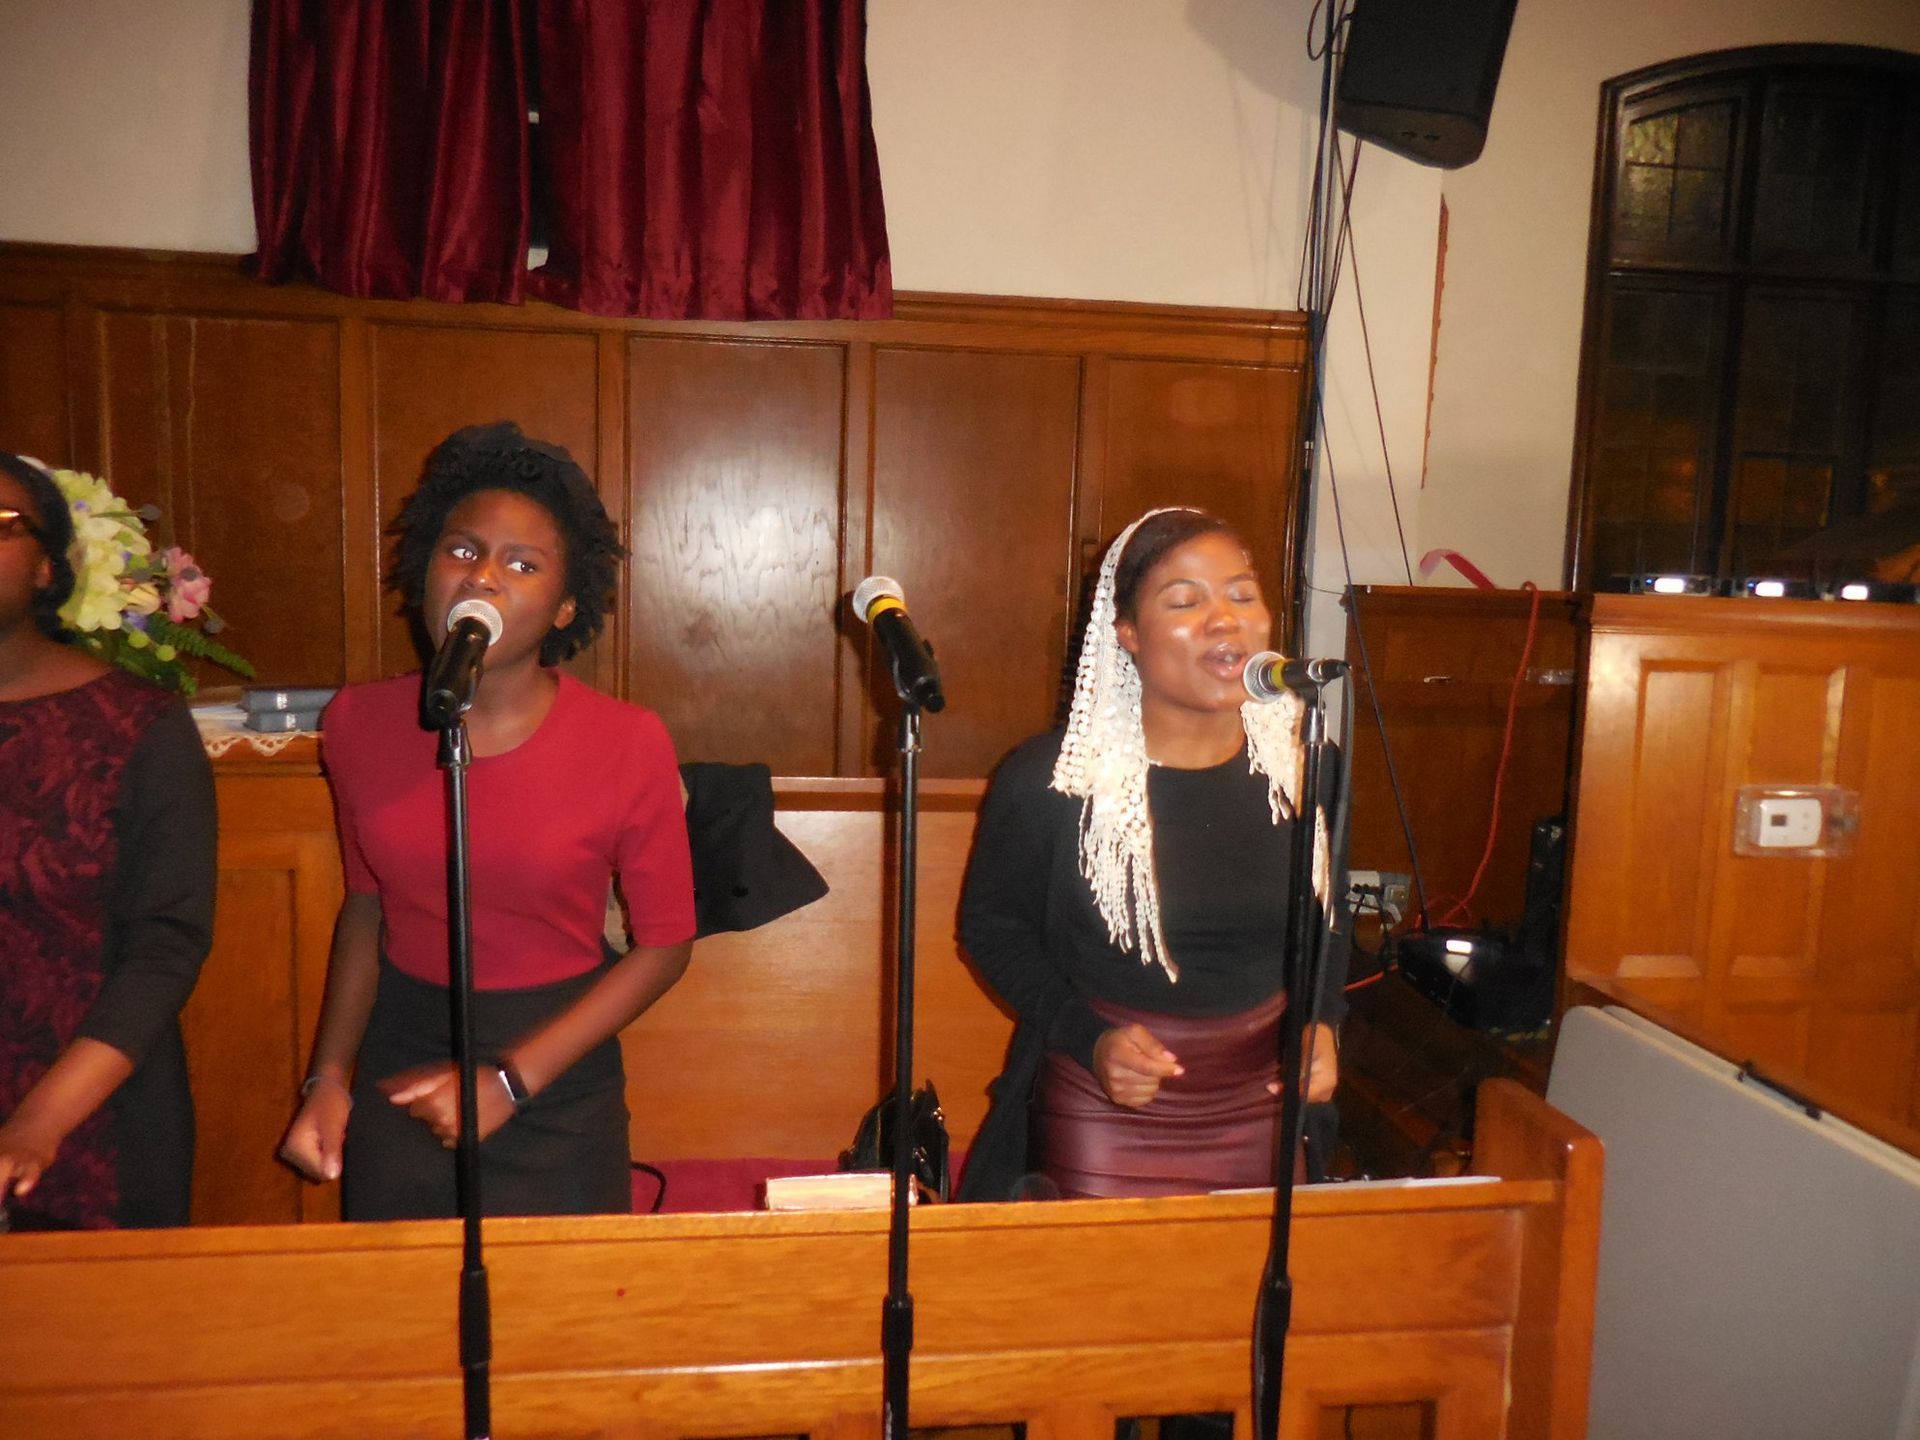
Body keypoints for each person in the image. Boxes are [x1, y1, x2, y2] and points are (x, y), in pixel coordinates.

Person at [278, 422, 696, 1220]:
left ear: (566, 605)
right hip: (402, 1059)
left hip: (555, 1072)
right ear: (424, 569)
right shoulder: (359, 723)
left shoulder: (626, 740)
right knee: (404, 1325)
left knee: (555, 1329)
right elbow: (367, 906)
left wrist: (510, 1077)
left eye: (522, 563)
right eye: (463, 551)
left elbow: (666, 945)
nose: (484, 578)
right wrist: (329, 1078)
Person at [957, 506, 1347, 1203]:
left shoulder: (1308, 768)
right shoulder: (1052, 781)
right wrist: (1089, 1038)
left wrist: (1323, 1025)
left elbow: (1329, 926)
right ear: (1128, 635)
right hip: (1106, 1100)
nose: (1224, 619)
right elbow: (993, 931)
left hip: (1265, 1095)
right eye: (1185, 601)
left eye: (1241, 593)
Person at [0, 451, 217, 1228]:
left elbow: (166, 946)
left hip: (96, 1122)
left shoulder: (140, 726)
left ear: (51, 569)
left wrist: (37, 1124)